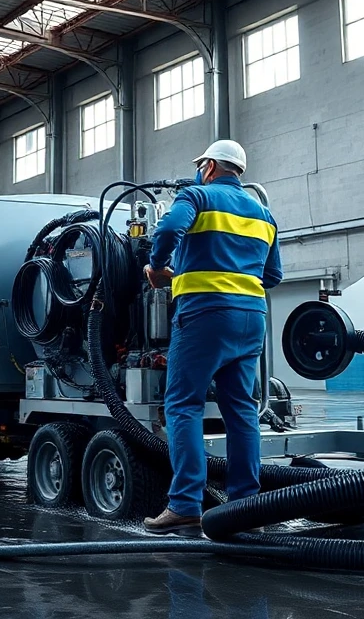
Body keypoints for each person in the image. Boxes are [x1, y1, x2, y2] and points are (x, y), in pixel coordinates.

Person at [142, 139, 283, 534]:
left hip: (205, 315)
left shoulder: (196, 195)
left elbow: (169, 228)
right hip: (252, 318)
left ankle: (185, 503)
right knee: (242, 409)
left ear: (208, 166)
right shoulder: (264, 214)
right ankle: (244, 503)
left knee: (183, 405)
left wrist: (157, 268)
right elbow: (272, 276)